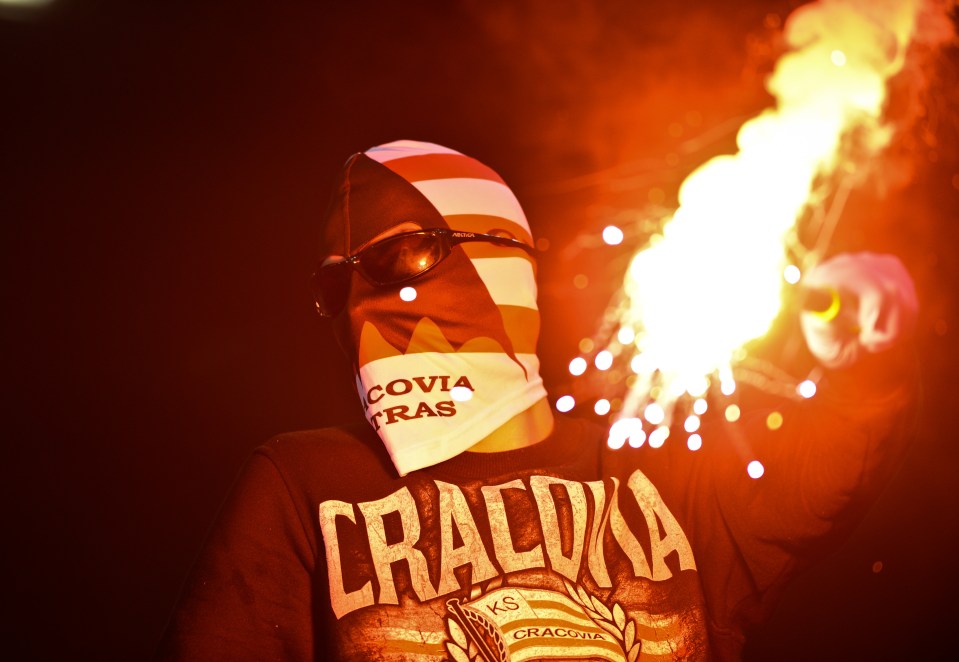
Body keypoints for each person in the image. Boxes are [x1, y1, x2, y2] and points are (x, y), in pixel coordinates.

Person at [158, 140, 919, 661]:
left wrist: (867, 346)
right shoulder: (305, 485)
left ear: (497, 261)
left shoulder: (666, 472)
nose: (362, 304)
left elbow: (837, 460)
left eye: (399, 256)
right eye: (335, 284)